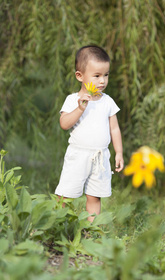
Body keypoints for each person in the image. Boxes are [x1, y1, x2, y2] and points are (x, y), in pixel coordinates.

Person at [55, 45, 124, 222]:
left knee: (94, 196)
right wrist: (80, 108)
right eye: (97, 76)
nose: (102, 81)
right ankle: (57, 225)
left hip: (100, 157)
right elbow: (64, 123)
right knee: (66, 194)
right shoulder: (73, 100)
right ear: (80, 76)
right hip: (78, 155)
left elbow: (114, 128)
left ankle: (91, 231)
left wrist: (119, 152)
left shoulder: (107, 102)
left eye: (106, 75)